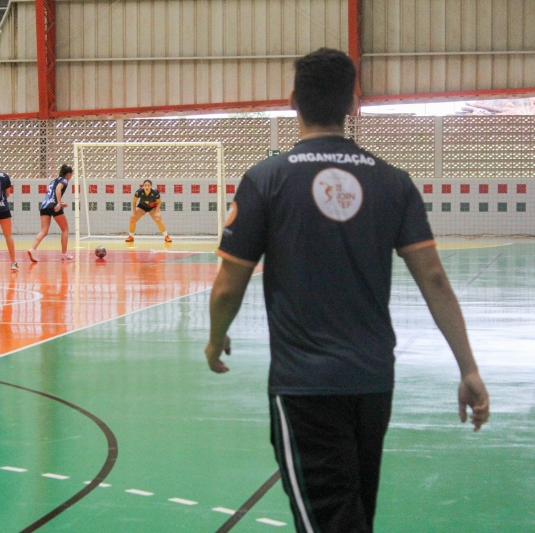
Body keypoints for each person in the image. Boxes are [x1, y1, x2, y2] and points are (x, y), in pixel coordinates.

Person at [204, 48, 490, 533]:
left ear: (292, 101)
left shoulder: (265, 180)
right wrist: (468, 368)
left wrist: (215, 340)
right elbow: (435, 279)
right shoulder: (393, 182)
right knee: (353, 516)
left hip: (305, 387)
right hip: (373, 382)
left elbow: (229, 286)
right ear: (353, 104)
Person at [27, 164, 74, 262]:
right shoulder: (64, 180)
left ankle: (32, 249)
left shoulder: (53, 180)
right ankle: (64, 254)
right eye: (71, 175)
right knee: (65, 229)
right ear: (68, 174)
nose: (71, 177)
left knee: (43, 231)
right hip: (54, 205)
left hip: (44, 205)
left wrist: (60, 203)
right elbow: (58, 189)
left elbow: (51, 195)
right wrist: (59, 203)